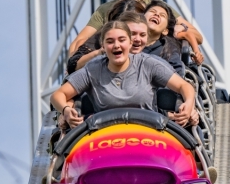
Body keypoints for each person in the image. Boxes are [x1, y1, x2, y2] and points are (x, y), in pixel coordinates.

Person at [51, 21, 196, 129]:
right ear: (103, 45)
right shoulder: (93, 69)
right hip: (105, 136)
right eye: (110, 41)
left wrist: (189, 104)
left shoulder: (147, 64)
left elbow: (183, 85)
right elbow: (58, 95)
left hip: (149, 132)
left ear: (130, 42)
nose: (116, 46)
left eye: (122, 40)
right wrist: (66, 110)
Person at [67, 0, 147, 75]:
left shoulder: (154, 45)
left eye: (142, 34)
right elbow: (72, 66)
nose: (137, 39)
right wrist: (100, 52)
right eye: (132, 32)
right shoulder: (102, 40)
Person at [141, 0, 185, 76]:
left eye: (162, 15)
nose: (156, 14)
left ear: (165, 31)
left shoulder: (168, 51)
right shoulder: (127, 43)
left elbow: (177, 77)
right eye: (152, 11)